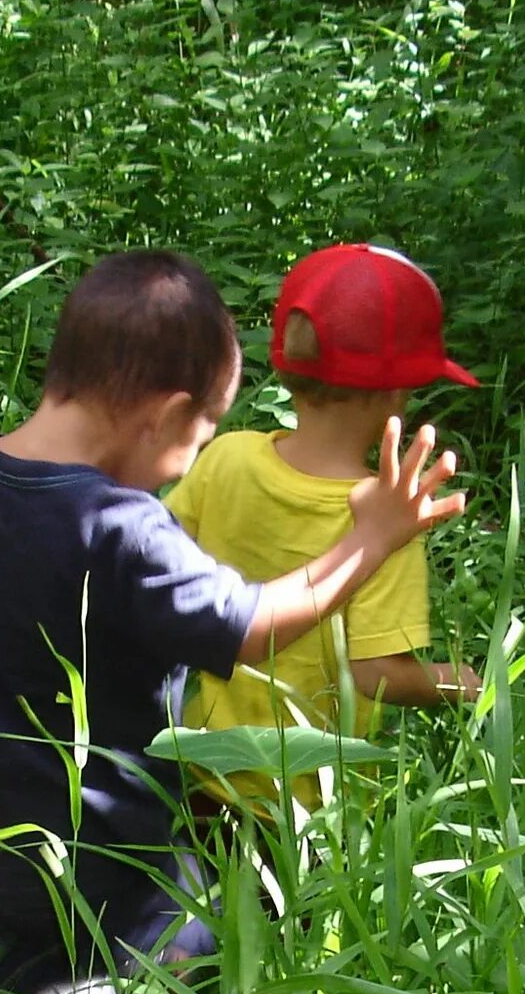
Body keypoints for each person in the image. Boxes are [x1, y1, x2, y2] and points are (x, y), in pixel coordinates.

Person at [0, 249, 464, 994]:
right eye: (199, 437)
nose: (192, 460)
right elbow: (253, 625)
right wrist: (370, 540)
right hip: (95, 864)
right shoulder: (121, 527)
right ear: (162, 415)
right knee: (154, 988)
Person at [172, 244, 484, 806]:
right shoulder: (386, 518)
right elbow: (375, 674)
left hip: (196, 766)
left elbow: (165, 556)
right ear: (398, 391)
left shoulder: (227, 458)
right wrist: (456, 680)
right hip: (307, 805)